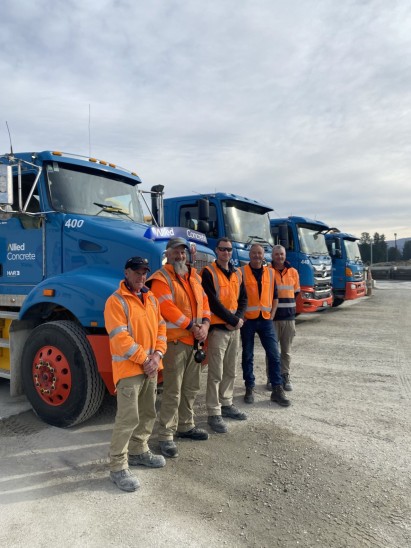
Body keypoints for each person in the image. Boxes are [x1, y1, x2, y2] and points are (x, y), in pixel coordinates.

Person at [104, 256, 168, 492]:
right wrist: (145, 359)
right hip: (130, 370)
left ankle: (139, 451)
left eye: (145, 272)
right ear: (126, 272)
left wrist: (158, 356)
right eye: (138, 272)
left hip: (150, 367)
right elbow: (120, 340)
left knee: (148, 412)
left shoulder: (151, 298)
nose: (142, 276)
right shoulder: (116, 301)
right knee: (128, 418)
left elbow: (161, 328)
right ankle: (117, 466)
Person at [148, 237, 211, 458]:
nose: (180, 255)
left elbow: (205, 303)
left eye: (183, 252)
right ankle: (165, 435)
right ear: (167, 253)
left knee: (191, 388)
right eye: (176, 251)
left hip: (194, 342)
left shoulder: (193, 277)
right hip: (175, 343)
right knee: (172, 392)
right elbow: (167, 308)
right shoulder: (160, 278)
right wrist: (192, 326)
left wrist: (205, 325)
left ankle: (186, 426)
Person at [201, 237, 248, 433]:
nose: (226, 253)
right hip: (218, 329)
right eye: (222, 249)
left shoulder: (237, 272)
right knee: (216, 373)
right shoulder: (208, 272)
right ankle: (214, 412)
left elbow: (243, 298)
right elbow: (212, 302)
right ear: (216, 251)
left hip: (233, 329)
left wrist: (237, 319)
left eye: (229, 250)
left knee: (230, 370)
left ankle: (226, 403)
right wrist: (232, 320)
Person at [240, 243, 290, 407]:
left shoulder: (270, 272)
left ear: (263, 256)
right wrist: (241, 316)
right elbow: (237, 297)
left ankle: (277, 388)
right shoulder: (241, 272)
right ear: (249, 255)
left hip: (266, 320)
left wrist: (272, 314)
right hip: (248, 321)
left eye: (259, 253)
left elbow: (275, 296)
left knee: (274, 354)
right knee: (248, 355)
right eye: (253, 253)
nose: (256, 256)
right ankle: (249, 386)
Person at [267, 245, 300, 391]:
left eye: (281, 254)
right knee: (272, 351)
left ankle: (285, 376)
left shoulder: (293, 272)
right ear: (272, 255)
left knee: (286, 351)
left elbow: (296, 293)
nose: (279, 257)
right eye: (276, 254)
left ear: (285, 255)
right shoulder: (267, 271)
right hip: (272, 319)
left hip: (289, 318)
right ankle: (271, 378)